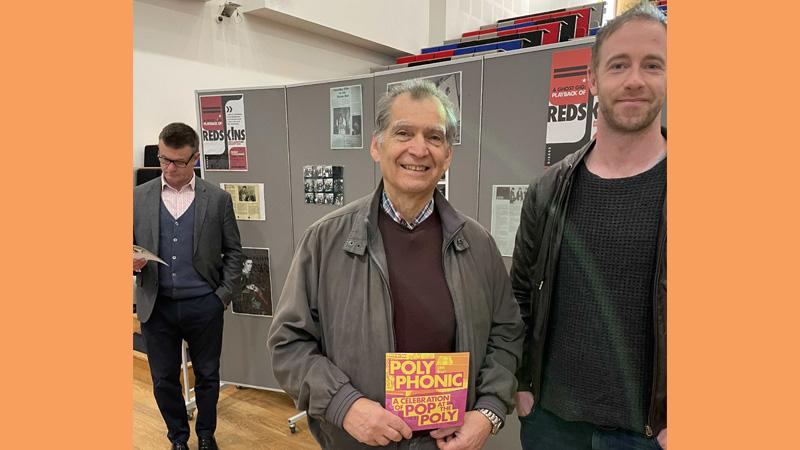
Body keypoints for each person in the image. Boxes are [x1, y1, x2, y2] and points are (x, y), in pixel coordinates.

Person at [268, 79, 524, 450]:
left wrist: (489, 411)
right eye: (403, 132)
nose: (418, 149)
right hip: (358, 442)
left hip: (448, 443)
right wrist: (345, 405)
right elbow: (288, 344)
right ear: (377, 145)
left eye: (434, 138)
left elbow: (507, 334)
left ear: (448, 155)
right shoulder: (325, 241)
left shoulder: (478, 245)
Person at [511, 4, 667, 450]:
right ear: (593, 80)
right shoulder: (547, 190)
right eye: (619, 65)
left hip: (650, 436)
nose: (635, 79)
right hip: (551, 425)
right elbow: (520, 296)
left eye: (652, 65)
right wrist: (524, 388)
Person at [133, 122, 243, 450]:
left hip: (204, 305)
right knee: (164, 379)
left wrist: (221, 296)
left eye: (178, 162)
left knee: (208, 376)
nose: (169, 168)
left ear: (194, 158)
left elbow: (234, 252)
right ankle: (178, 438)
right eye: (164, 159)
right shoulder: (138, 197)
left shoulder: (218, 199)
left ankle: (206, 435)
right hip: (157, 304)